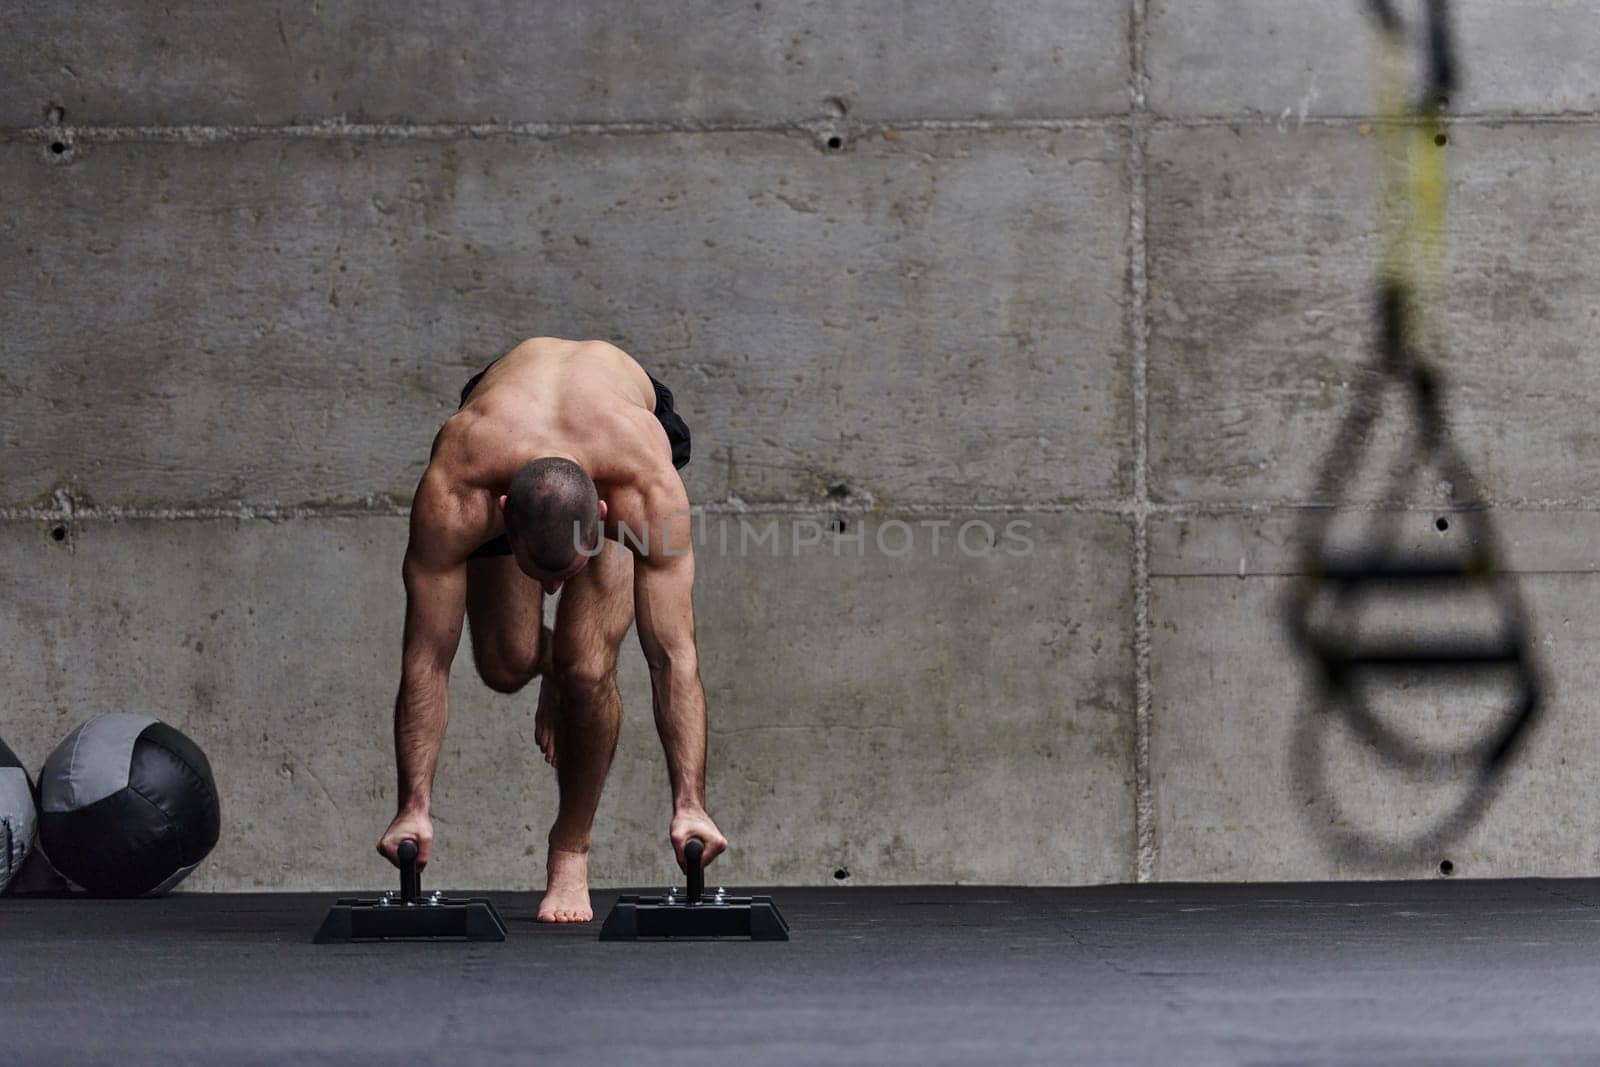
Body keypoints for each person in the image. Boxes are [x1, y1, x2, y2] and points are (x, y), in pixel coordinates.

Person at [376, 336, 727, 922]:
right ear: (500, 516)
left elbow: (673, 657)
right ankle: (549, 667)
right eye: (538, 575)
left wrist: (691, 803)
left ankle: (570, 851)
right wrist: (413, 805)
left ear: (605, 522)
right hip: (504, 427)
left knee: (586, 670)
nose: (551, 591)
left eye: (565, 574)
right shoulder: (459, 484)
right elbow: (427, 658)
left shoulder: (643, 489)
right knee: (504, 663)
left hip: (617, 425)